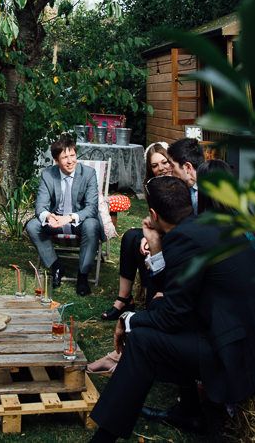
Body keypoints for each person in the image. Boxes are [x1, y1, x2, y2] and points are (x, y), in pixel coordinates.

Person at [88, 175, 255, 442]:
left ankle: (103, 438)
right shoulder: (209, 225)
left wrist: (128, 320)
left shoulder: (182, 238)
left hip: (231, 352)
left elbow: (171, 317)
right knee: (152, 322)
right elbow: (172, 295)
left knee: (142, 340)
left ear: (153, 214)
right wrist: (155, 244)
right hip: (233, 332)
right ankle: (194, 413)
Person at [100, 142, 172, 321]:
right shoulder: (151, 185)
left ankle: (153, 298)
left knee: (143, 244)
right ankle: (123, 298)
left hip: (173, 234)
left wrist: (153, 237)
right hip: (159, 231)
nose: (161, 168)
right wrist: (147, 236)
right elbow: (154, 218)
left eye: (164, 162)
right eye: (155, 165)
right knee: (131, 237)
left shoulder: (178, 182)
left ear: (171, 161)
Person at [26, 133, 101, 296]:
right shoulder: (48, 174)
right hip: (56, 220)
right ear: (56, 160)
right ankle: (56, 266)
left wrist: (70, 217)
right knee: (32, 225)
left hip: (78, 222)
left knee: (92, 224)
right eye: (64, 157)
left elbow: (91, 208)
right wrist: (48, 216)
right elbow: (40, 206)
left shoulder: (88, 174)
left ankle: (83, 276)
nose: (70, 161)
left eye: (72, 155)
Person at [167, 137, 204, 214]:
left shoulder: (213, 195)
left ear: (187, 167)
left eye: (172, 166)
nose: (169, 170)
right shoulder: (184, 188)